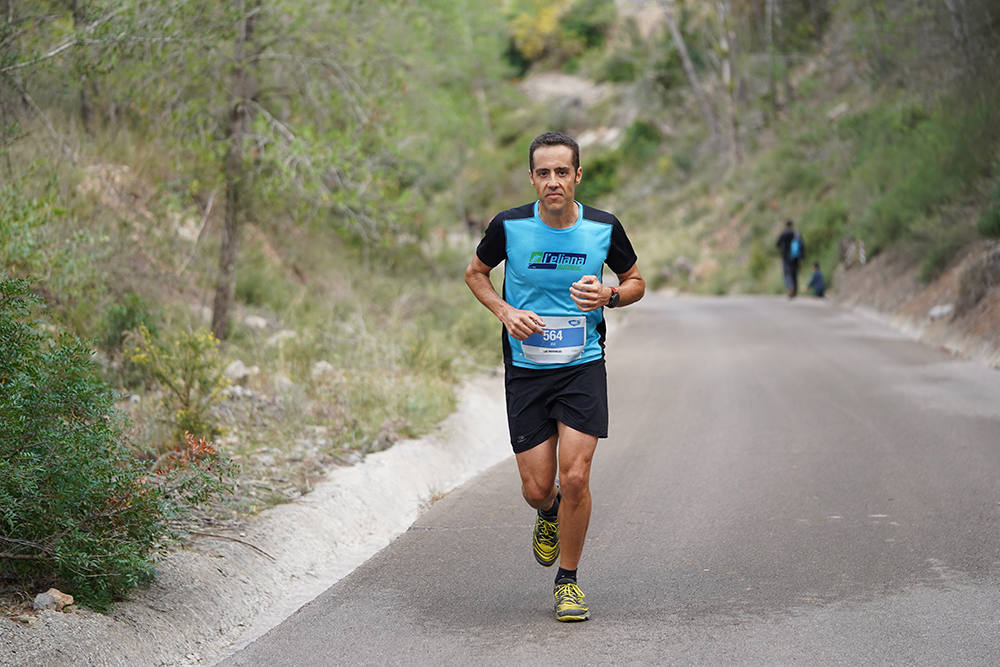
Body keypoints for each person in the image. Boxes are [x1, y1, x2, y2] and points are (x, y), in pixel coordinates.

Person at [464, 131, 645, 622]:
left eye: (562, 172)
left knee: (577, 474)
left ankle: (568, 581)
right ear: (531, 178)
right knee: (538, 488)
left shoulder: (603, 228)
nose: (553, 182)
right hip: (527, 370)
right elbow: (475, 273)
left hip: (583, 364)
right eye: (543, 173)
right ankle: (549, 513)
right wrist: (505, 312)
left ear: (577, 175)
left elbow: (636, 283)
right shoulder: (510, 226)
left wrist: (609, 296)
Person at [775, 219, 804, 297]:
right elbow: (802, 245)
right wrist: (802, 257)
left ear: (786, 225)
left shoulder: (784, 233)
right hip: (795, 257)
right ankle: (795, 291)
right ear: (792, 225)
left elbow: (778, 244)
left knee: (787, 274)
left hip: (786, 257)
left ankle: (790, 288)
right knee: (794, 273)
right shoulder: (796, 233)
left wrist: (782, 248)